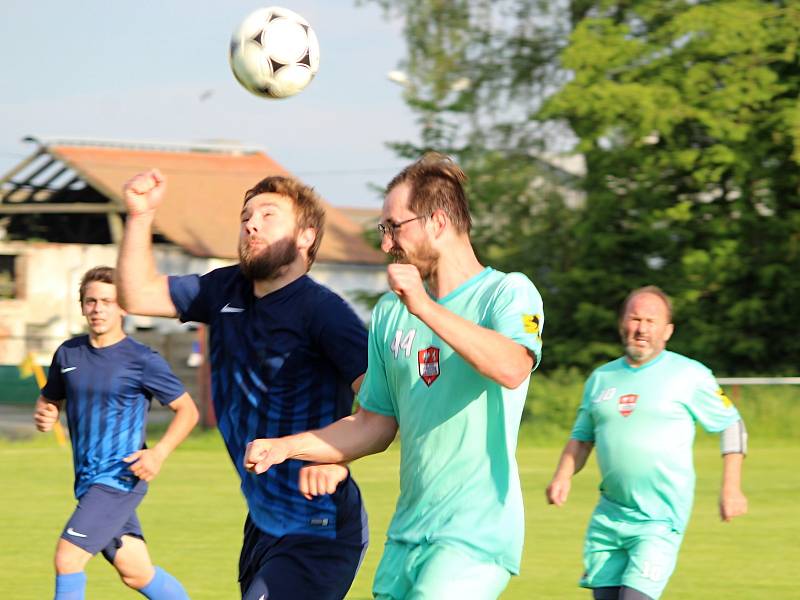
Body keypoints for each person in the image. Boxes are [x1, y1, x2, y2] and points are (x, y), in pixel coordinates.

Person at [244, 153, 545, 600]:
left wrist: (425, 306)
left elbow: (512, 367)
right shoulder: (390, 313)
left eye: (393, 227)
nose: (387, 244)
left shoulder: (506, 292)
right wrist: (290, 447)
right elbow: (374, 424)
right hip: (408, 534)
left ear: (437, 222)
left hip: (473, 534)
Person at [116, 170, 369, 600]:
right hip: (264, 520)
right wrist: (141, 216)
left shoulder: (324, 312)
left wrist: (336, 457)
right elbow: (137, 294)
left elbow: (382, 405)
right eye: (246, 215)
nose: (251, 223)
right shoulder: (224, 288)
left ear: (306, 236)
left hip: (318, 525)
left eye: (269, 215)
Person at [546, 286, 748, 600]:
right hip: (609, 517)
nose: (641, 328)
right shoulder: (601, 378)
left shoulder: (690, 374)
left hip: (659, 519)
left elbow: (732, 425)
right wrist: (562, 477)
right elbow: (583, 437)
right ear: (622, 323)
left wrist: (731, 488)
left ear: (667, 331)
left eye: (651, 321)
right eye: (635, 318)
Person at [33, 266, 198, 600]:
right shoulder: (68, 354)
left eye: (107, 301)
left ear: (122, 306)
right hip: (87, 480)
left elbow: (188, 410)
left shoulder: (142, 359)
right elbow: (51, 397)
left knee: (67, 559)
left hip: (120, 477)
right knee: (136, 573)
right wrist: (46, 411)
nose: (98, 309)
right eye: (91, 301)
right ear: (82, 306)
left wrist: (158, 453)